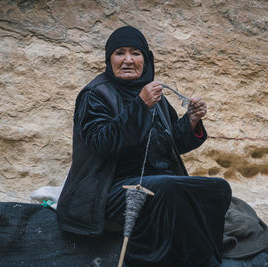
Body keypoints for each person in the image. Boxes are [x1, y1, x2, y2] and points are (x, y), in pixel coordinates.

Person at [57, 26, 232, 267]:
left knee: (218, 188)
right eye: (120, 53)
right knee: (168, 189)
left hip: (160, 183)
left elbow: (171, 144)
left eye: (135, 53)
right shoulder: (95, 95)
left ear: (146, 59)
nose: (128, 60)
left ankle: (203, 258)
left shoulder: (152, 93)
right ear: (109, 59)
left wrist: (191, 121)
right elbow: (101, 144)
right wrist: (141, 105)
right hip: (109, 191)